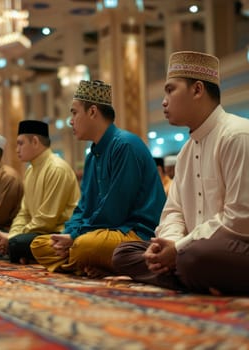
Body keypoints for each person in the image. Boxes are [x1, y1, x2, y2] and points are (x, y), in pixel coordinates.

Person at [112, 51, 249, 295]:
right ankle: (196, 277)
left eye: (170, 90)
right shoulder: (185, 152)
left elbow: (243, 221)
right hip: (205, 253)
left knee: (194, 256)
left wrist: (180, 249)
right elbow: (174, 211)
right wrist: (171, 244)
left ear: (197, 90)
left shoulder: (238, 136)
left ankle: (186, 274)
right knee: (124, 253)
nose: (163, 101)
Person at [30, 80, 166, 278]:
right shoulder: (92, 156)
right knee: (39, 244)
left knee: (85, 246)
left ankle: (88, 262)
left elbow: (115, 211)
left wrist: (75, 237)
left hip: (135, 232)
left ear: (92, 111)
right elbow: (83, 207)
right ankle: (94, 265)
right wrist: (70, 233)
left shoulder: (124, 145)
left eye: (74, 112)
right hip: (103, 232)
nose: (70, 120)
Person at [0, 120, 80, 264]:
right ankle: (20, 252)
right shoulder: (30, 171)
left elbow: (47, 220)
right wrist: (12, 234)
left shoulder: (56, 168)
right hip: (36, 232)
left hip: (57, 233)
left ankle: (19, 252)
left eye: (20, 143)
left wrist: (12, 238)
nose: (16, 149)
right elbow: (24, 213)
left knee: (16, 243)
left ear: (35, 141)